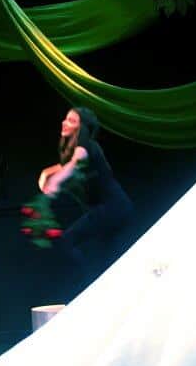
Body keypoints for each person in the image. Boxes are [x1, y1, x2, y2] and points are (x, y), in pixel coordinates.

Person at [38, 106, 134, 297]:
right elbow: (66, 164)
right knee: (107, 260)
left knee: (67, 241)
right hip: (115, 209)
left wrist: (55, 181)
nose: (65, 123)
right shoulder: (77, 149)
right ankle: (102, 292)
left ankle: (88, 290)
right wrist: (46, 173)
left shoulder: (86, 145)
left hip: (112, 207)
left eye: (72, 121)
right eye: (66, 119)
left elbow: (74, 164)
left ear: (82, 128)